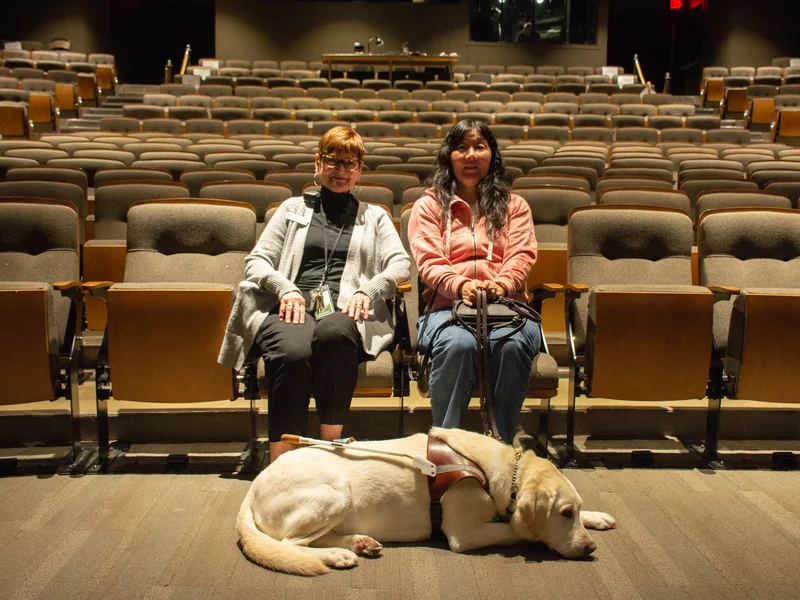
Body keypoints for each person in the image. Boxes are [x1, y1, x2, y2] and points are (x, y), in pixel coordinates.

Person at [218, 126, 409, 463]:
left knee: (333, 333)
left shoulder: (375, 216)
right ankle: (282, 460)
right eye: (334, 162)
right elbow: (257, 261)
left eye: (350, 164)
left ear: (360, 170)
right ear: (318, 163)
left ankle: (330, 450)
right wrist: (284, 288)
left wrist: (369, 290)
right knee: (292, 353)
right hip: (289, 306)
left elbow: (400, 263)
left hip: (345, 309)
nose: (341, 171)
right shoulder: (292, 209)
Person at [407, 119, 542, 444]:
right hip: (447, 308)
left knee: (511, 345)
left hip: (508, 307)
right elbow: (428, 260)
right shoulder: (429, 206)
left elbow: (522, 254)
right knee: (458, 344)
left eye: (479, 146)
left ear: (491, 155)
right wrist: (461, 286)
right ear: (448, 156)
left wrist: (502, 283)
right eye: (461, 147)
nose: (470, 155)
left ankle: (502, 445)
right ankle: (446, 444)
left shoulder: (514, 206)